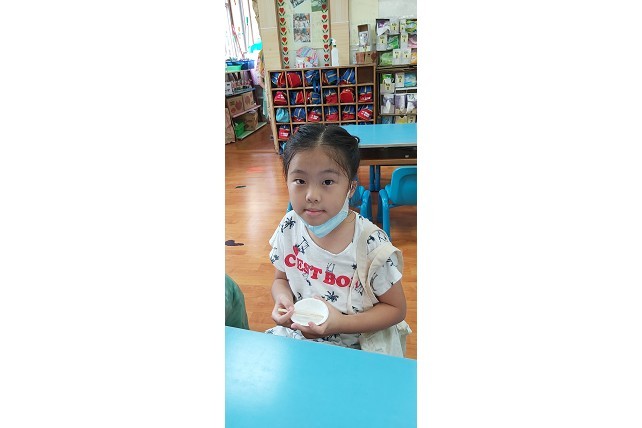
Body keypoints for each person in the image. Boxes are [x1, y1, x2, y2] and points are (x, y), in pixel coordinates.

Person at [265, 124, 406, 350]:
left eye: (328, 182)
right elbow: (280, 279)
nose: (312, 196)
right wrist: (283, 300)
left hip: (357, 346)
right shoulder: (289, 226)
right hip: (299, 338)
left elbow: (396, 310)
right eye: (300, 181)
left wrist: (340, 324)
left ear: (351, 188)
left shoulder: (371, 244)